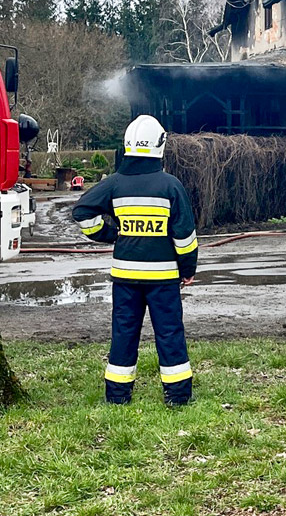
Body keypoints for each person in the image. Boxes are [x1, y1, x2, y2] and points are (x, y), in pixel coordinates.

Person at [72, 115, 199, 406]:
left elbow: (81, 212)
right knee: (169, 333)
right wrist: (187, 269)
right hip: (164, 278)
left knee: (124, 333)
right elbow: (185, 236)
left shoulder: (115, 184)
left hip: (125, 278)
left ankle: (117, 396)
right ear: (160, 146)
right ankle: (177, 396)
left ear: (128, 145)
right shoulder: (171, 186)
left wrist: (110, 234)